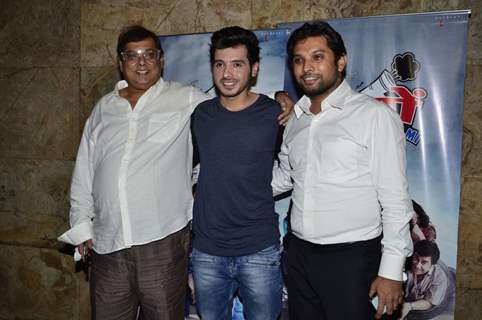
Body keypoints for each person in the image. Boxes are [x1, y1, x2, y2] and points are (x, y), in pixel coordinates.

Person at [58, 25, 292, 320]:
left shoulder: (186, 99)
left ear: (162, 60)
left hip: (163, 242)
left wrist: (281, 97)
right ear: (120, 62)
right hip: (108, 243)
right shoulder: (102, 109)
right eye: (132, 56)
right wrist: (81, 224)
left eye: (149, 55)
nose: (141, 63)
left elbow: (234, 99)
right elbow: (84, 168)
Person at [271, 21, 414, 320]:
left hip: (353, 261)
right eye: (299, 60)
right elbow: (285, 176)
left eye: (317, 57)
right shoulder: (296, 120)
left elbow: (395, 201)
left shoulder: (373, 116)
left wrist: (391, 270)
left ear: (341, 60)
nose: (306, 67)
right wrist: (228, 182)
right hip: (298, 256)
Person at [190, 26, 283, 320]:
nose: (227, 74)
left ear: (254, 69)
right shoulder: (200, 115)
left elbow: (295, 167)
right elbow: (190, 167)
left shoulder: (275, 113)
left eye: (237, 64)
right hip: (207, 251)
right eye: (220, 64)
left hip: (259, 248)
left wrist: (259, 189)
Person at [401, 240, 449, 319]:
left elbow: (429, 302)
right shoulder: (406, 260)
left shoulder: (439, 277)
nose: (418, 265)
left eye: (424, 262)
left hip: (422, 311)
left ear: (432, 264)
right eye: (416, 258)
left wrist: (409, 306)